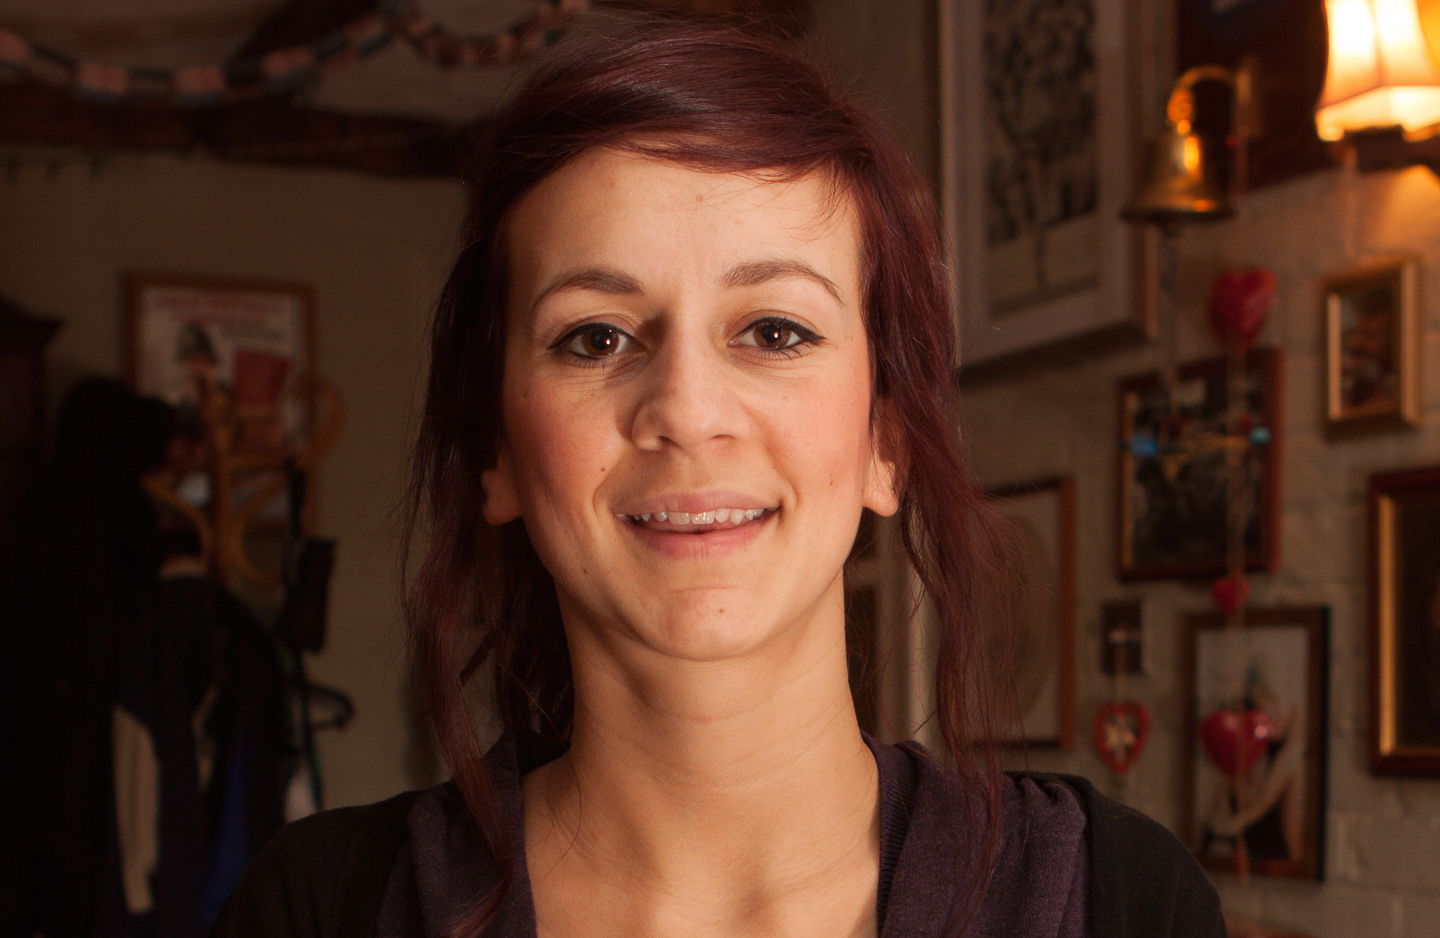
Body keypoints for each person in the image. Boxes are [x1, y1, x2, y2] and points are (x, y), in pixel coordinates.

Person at [213, 15, 1223, 938]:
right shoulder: (320, 908)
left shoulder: (1120, 898)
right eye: (596, 335)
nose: (689, 409)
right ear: (497, 454)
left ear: (889, 440)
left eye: (775, 330)